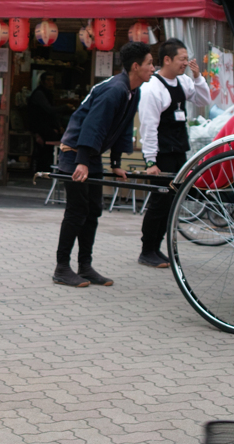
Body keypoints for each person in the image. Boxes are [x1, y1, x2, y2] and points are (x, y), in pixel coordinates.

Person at [52, 41, 154, 288]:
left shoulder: (133, 91)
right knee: (77, 212)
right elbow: (92, 126)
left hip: (91, 155)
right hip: (75, 153)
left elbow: (122, 128)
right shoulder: (115, 90)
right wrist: (83, 162)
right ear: (135, 66)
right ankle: (62, 267)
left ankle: (85, 266)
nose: (153, 68)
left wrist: (116, 163)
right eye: (150, 63)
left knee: (93, 211)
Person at [138, 39, 212, 268]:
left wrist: (198, 77)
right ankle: (147, 249)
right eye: (181, 59)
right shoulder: (152, 87)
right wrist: (150, 160)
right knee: (159, 201)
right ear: (167, 59)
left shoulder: (183, 81)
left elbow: (204, 100)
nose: (185, 63)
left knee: (172, 202)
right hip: (161, 154)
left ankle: (157, 247)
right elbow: (148, 127)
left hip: (179, 150)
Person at [28, 73, 66, 173]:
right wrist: (65, 107)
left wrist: (58, 125)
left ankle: (49, 168)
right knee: (45, 149)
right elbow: (48, 110)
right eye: (48, 80)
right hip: (39, 126)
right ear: (43, 81)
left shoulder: (48, 93)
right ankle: (44, 170)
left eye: (52, 80)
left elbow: (52, 113)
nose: (51, 82)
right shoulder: (39, 93)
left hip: (47, 125)